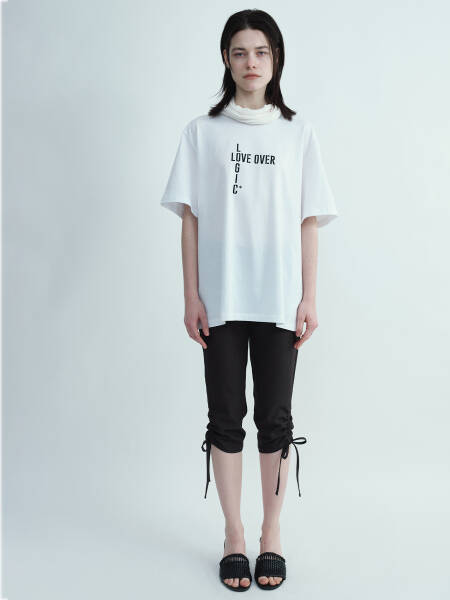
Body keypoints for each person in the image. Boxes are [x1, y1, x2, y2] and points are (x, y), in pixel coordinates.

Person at [160, 9, 338, 592]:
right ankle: (234, 534)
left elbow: (309, 220)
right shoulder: (202, 132)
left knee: (275, 419)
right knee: (224, 417)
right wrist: (191, 294)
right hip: (221, 298)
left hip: (279, 298)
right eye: (240, 52)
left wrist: (309, 296)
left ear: (275, 59)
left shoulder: (297, 133)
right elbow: (189, 219)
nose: (251, 62)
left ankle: (271, 534)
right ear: (226, 60)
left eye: (261, 52)